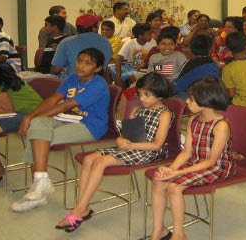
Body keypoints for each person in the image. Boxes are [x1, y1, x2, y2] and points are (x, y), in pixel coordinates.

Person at [55, 72, 173, 232]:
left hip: (148, 151)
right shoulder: (137, 110)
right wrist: (120, 140)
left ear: (160, 95)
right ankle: (82, 207)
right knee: (89, 159)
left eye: (147, 95)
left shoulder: (164, 114)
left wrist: (131, 145)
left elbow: (157, 145)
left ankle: (79, 210)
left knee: (101, 162)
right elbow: (124, 135)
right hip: (131, 147)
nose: (142, 98)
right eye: (140, 94)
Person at [11, 48, 110, 212]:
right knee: (38, 125)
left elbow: (66, 105)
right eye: (79, 61)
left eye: (87, 63)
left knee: (37, 136)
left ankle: (37, 190)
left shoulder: (98, 84)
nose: (81, 65)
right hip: (68, 119)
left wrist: (30, 119)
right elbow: (53, 100)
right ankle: (39, 184)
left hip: (91, 126)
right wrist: (30, 117)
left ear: (98, 68)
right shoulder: (72, 79)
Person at [149, 77, 235, 240]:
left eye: (191, 99)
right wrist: (171, 169)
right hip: (195, 162)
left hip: (217, 167)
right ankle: (158, 231)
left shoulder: (221, 126)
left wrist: (176, 174)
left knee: (174, 187)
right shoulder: (193, 120)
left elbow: (211, 161)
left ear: (206, 101)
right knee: (159, 180)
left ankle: (179, 234)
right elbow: (187, 152)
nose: (186, 102)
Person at [51, 13, 113, 79]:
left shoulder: (66, 42)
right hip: (99, 82)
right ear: (93, 27)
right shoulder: (106, 42)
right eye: (97, 25)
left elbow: (55, 69)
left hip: (73, 83)